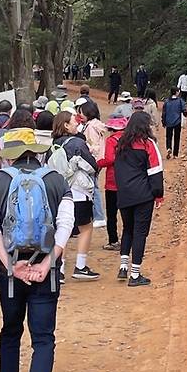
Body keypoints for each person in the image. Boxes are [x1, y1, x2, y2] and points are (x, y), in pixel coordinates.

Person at [0, 128, 75, 372]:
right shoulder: (55, 179)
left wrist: (9, 264)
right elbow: (65, 225)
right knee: (43, 337)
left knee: (10, 330)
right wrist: (49, 262)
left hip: (11, 268)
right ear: (38, 150)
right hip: (44, 269)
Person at [114, 112, 164, 286]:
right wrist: (158, 195)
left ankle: (123, 266)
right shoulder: (148, 144)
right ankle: (135, 275)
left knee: (128, 229)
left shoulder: (121, 144)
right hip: (143, 195)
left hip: (124, 194)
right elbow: (155, 171)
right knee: (140, 233)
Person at [52, 111, 100, 280]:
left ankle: (61, 268)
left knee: (62, 229)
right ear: (66, 125)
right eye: (74, 121)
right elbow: (91, 165)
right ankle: (80, 266)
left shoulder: (53, 144)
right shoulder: (77, 143)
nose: (77, 124)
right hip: (79, 191)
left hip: (59, 193)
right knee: (85, 227)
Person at [97, 116, 128, 251]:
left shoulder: (111, 140)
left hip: (112, 181)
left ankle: (113, 240)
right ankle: (128, 240)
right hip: (127, 181)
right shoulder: (129, 139)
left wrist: (98, 163)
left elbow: (109, 159)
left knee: (111, 214)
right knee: (127, 214)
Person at [76, 99, 107, 230]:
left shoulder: (90, 127)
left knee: (93, 188)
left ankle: (99, 216)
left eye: (81, 112)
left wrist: (86, 151)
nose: (80, 115)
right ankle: (96, 215)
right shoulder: (97, 124)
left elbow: (94, 146)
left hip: (93, 161)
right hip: (98, 160)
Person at [161, 88, 187, 159]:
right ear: (176, 92)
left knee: (168, 136)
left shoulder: (166, 101)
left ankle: (169, 147)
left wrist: (163, 121)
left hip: (168, 121)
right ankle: (175, 154)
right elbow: (184, 111)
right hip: (177, 122)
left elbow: (164, 113)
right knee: (177, 138)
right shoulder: (180, 101)